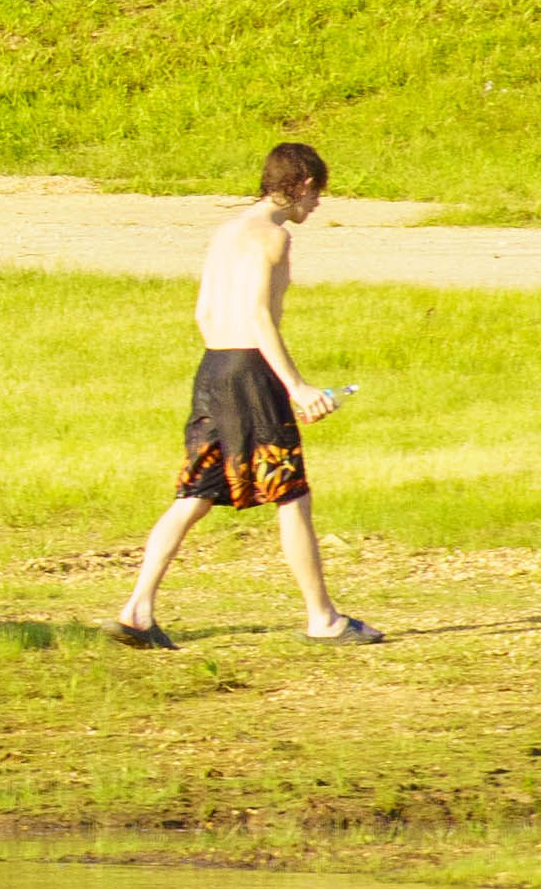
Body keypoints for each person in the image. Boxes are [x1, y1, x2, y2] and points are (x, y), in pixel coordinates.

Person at [116, 143, 378, 648]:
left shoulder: (226, 232)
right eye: (317, 193)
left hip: (212, 368)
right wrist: (295, 386)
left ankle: (136, 611)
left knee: (195, 493)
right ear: (300, 185)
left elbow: (202, 313)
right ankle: (322, 619)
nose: (318, 206)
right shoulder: (272, 237)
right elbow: (259, 317)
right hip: (249, 371)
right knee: (291, 495)